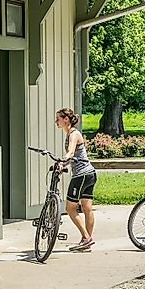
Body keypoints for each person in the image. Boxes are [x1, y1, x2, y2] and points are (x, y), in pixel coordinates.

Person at [55, 108, 97, 252]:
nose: (56, 121)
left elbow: (71, 152)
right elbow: (73, 157)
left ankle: (86, 238)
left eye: (58, 119)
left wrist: (62, 161)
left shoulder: (73, 134)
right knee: (87, 207)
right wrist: (64, 164)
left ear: (66, 119)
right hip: (90, 173)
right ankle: (87, 242)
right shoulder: (71, 134)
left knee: (70, 208)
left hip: (81, 175)